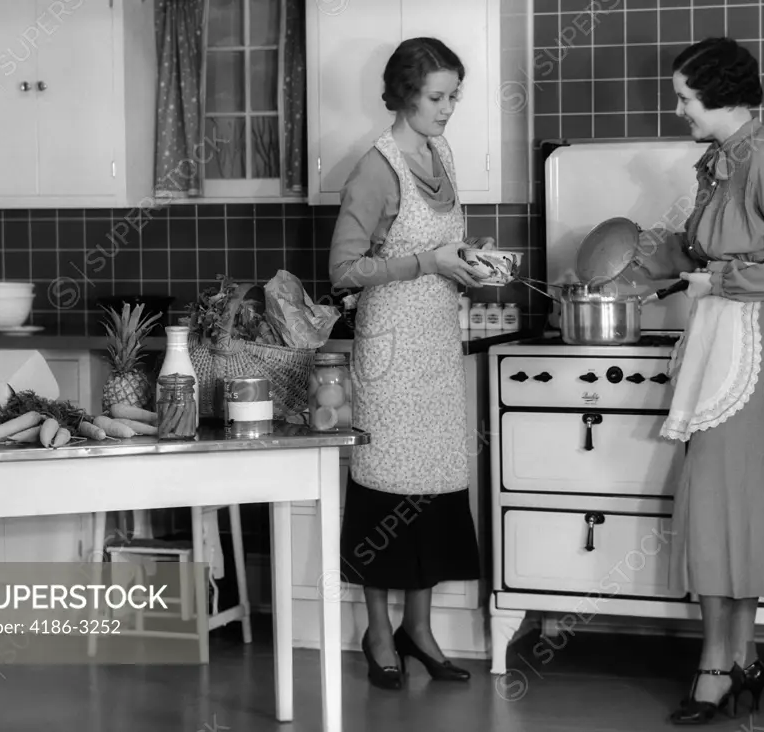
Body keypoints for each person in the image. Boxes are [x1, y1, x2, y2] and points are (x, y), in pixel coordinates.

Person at [631, 37, 764, 725]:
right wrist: (641, 265)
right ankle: (741, 658)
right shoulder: (721, 159)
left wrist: (723, 280)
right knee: (730, 502)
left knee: (719, 502)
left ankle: (716, 664)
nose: (677, 106)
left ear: (722, 94)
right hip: (720, 331)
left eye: (685, 96)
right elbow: (699, 247)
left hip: (756, 340)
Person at [328, 37, 492, 691]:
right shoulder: (376, 168)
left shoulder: (441, 153)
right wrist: (427, 262)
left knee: (432, 487)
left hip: (436, 347)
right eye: (437, 96)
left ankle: (419, 631)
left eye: (455, 95)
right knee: (384, 486)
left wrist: (469, 262)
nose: (449, 108)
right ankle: (377, 633)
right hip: (392, 351)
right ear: (402, 94)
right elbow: (343, 270)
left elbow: (442, 243)